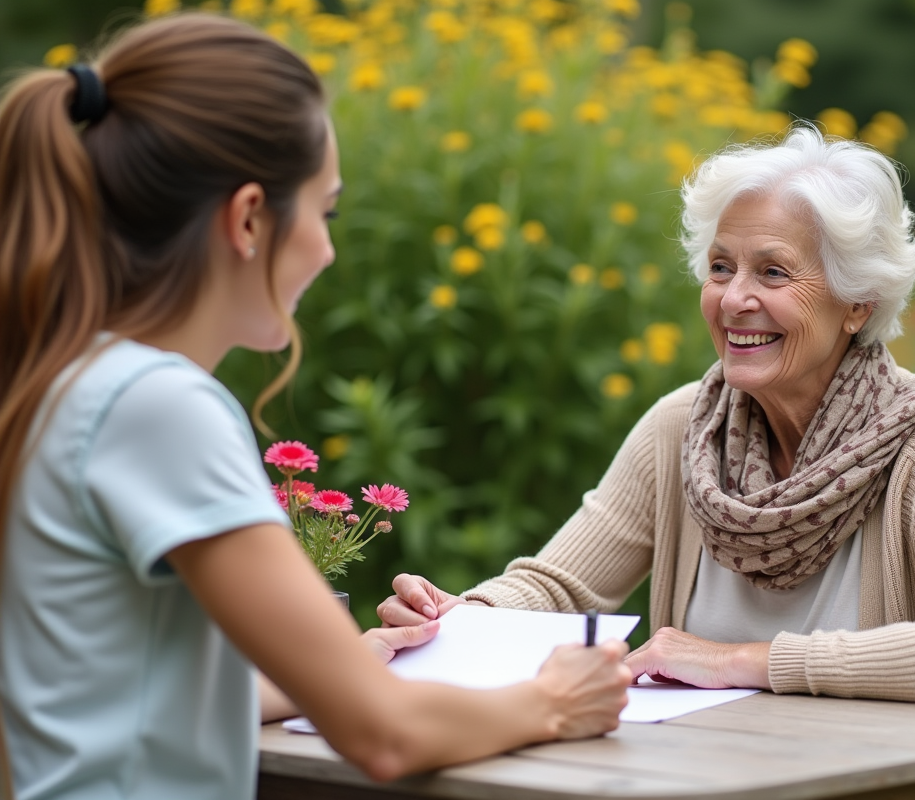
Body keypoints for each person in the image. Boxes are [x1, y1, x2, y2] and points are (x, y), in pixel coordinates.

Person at [0, 14, 629, 800]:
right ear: (250, 219)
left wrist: (332, 668)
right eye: (324, 213)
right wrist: (556, 701)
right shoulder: (156, 406)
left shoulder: (59, 377)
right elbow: (385, 736)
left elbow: (118, 688)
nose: (329, 251)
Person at [379, 126, 915, 712]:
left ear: (857, 303)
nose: (733, 298)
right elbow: (559, 587)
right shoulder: (684, 430)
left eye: (773, 272)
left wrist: (743, 661)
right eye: (720, 267)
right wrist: (460, 618)